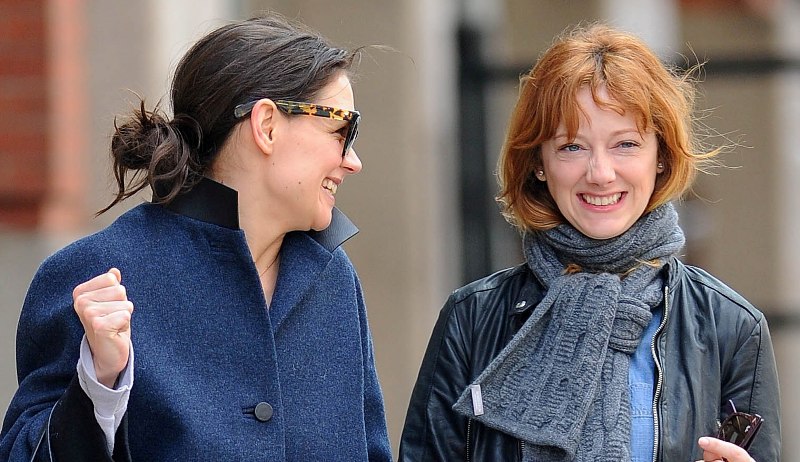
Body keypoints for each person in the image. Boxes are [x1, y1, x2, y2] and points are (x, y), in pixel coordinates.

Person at [0, 13, 392, 461]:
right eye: (342, 130)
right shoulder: (96, 277)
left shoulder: (333, 281)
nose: (353, 161)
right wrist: (98, 386)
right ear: (267, 125)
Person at [399, 23, 780, 462]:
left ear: (660, 156)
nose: (600, 173)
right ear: (539, 163)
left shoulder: (732, 328)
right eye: (572, 147)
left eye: (625, 144)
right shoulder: (472, 319)